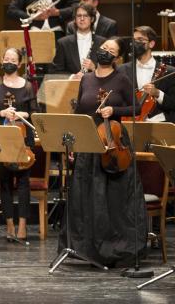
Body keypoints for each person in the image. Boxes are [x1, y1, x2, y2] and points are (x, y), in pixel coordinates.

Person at [60, 37, 147, 267]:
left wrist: (114, 109)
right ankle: (86, 248)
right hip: (88, 144)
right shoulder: (86, 79)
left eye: (111, 50)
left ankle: (114, 248)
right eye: (103, 47)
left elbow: (137, 107)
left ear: (118, 58)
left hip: (113, 142)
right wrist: (73, 144)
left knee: (112, 200)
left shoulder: (122, 79)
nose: (105, 51)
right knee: (86, 198)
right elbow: (80, 111)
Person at [0, 48, 39, 241]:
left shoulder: (27, 86)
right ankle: (9, 223)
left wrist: (19, 114)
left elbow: (34, 113)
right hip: (3, 137)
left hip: (23, 137)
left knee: (24, 182)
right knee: (5, 182)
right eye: (6, 58)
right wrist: (1, 113)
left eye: (13, 59)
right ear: (2, 61)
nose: (8, 61)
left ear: (19, 64)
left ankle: (23, 225)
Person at [118, 26, 175, 123]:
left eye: (140, 39)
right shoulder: (121, 70)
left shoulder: (170, 72)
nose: (135, 43)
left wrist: (158, 93)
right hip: (128, 124)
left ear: (151, 44)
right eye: (134, 39)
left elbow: (173, 104)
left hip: (159, 126)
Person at [50, 3, 106, 78]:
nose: (82, 19)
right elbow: (55, 71)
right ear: (75, 20)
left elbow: (109, 70)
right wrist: (72, 76)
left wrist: (94, 68)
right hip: (70, 87)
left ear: (92, 19)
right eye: (79, 16)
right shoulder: (63, 43)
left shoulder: (102, 42)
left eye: (85, 16)